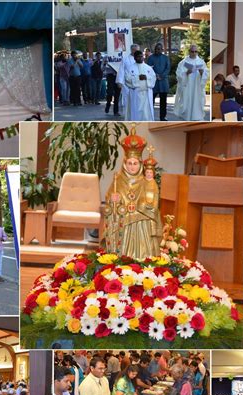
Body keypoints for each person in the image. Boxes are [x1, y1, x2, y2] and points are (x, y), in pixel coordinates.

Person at [104, 127, 162, 258]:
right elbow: (109, 204)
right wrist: (112, 199)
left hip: (142, 227)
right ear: (124, 163)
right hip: (123, 225)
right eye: (129, 163)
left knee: (144, 255)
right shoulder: (117, 181)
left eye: (135, 163)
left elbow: (153, 205)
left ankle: (144, 262)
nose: (132, 166)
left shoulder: (147, 181)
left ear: (140, 164)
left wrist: (142, 208)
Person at [174, 45, 208, 121]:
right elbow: (178, 75)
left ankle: (197, 117)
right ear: (189, 52)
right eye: (192, 51)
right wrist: (186, 73)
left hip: (197, 87)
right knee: (187, 103)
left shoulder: (201, 62)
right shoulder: (183, 63)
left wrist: (202, 73)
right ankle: (187, 117)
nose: (194, 53)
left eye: (196, 51)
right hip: (187, 87)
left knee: (197, 103)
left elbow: (206, 74)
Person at [124, 50, 156, 121]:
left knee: (146, 113)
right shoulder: (130, 68)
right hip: (135, 93)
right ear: (135, 58)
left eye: (142, 56)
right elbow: (127, 79)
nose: (141, 58)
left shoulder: (148, 68)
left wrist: (146, 77)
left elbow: (153, 77)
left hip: (146, 94)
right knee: (136, 113)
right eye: (138, 57)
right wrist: (137, 78)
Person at [147, 43, 170, 121]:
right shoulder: (150, 58)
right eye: (156, 49)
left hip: (163, 82)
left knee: (163, 101)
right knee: (151, 100)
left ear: (162, 50)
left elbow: (168, 68)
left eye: (159, 49)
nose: (157, 50)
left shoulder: (165, 58)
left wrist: (162, 75)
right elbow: (148, 68)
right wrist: (156, 75)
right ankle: (150, 116)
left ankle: (162, 117)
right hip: (154, 82)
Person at [117, 44, 140, 112]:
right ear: (132, 50)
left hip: (137, 83)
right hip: (127, 84)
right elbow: (121, 70)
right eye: (135, 50)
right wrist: (119, 82)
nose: (136, 52)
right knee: (127, 100)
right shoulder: (125, 59)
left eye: (137, 50)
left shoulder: (140, 59)